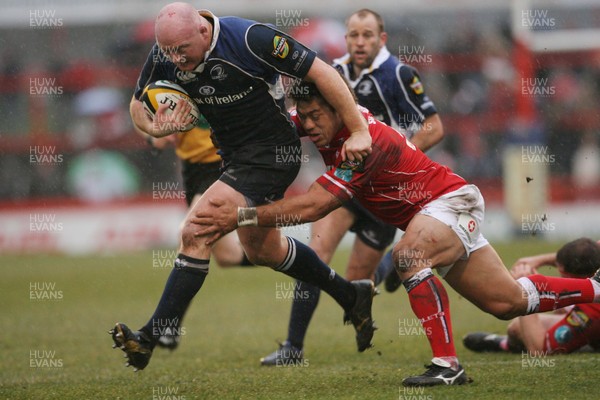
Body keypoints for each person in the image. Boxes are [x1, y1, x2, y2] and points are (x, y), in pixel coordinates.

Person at [192, 81, 600, 387]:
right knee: (507, 303)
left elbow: (314, 205)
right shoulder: (321, 117)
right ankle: (595, 289)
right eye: (305, 115)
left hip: (448, 203)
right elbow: (269, 127)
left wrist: (242, 216)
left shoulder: (363, 145)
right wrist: (200, 113)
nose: (310, 124)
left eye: (317, 115)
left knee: (407, 257)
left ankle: (447, 367)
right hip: (432, 213)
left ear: (340, 107)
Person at [109, 2, 378, 372]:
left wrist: (360, 130)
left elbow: (325, 73)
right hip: (234, 159)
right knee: (262, 251)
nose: (176, 60)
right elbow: (137, 104)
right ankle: (351, 294)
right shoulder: (166, 51)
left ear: (203, 31)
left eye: (182, 50)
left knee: (195, 230)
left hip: (273, 154)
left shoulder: (251, 38)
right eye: (169, 52)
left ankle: (149, 338)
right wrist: (156, 127)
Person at [260, 8, 444, 366]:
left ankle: (383, 274)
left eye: (368, 35)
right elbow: (298, 120)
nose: (360, 42)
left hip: (385, 192)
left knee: (357, 281)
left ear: (381, 39)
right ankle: (293, 347)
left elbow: (434, 127)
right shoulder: (332, 74)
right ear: (345, 39)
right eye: (354, 35)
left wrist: (397, 154)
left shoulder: (399, 74)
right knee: (316, 254)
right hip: (342, 188)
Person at [141, 119, 256, 350]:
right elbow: (141, 113)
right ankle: (295, 261)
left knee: (190, 232)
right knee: (228, 257)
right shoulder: (161, 85)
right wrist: (154, 132)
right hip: (191, 167)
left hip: (220, 162)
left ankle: (169, 326)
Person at [463, 238, 600, 355]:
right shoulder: (596, 255)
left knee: (530, 328)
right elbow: (588, 253)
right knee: (517, 328)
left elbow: (539, 350)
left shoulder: (592, 310)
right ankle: (505, 343)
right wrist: (539, 260)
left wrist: (527, 293)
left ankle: (587, 343)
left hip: (593, 315)